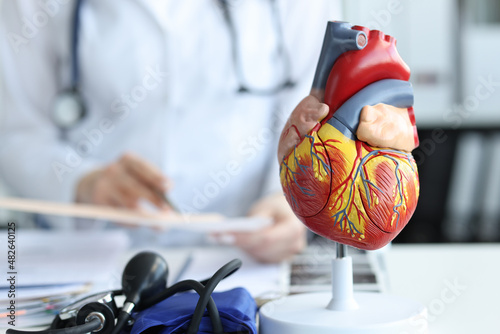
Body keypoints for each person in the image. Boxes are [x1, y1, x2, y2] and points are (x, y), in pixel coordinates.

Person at [0, 0, 342, 262]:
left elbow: (316, 106)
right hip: (89, 256)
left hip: (247, 253)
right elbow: (14, 130)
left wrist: (288, 199)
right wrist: (82, 182)